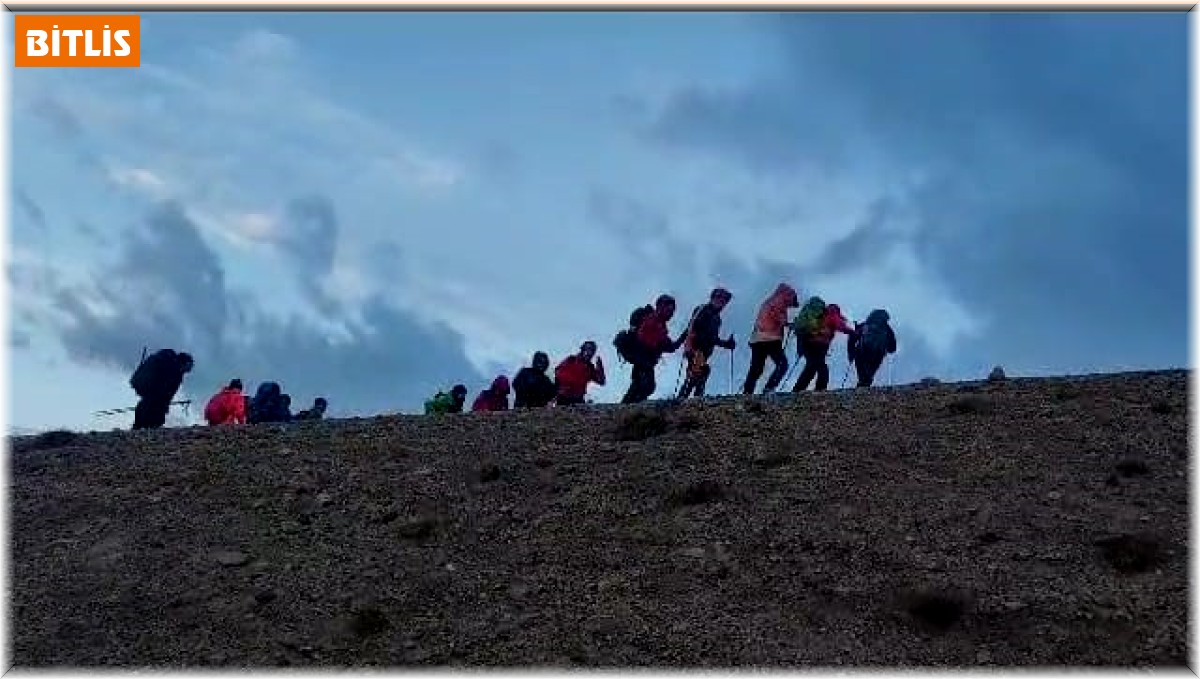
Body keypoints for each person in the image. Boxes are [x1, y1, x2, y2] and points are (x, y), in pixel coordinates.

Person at [621, 294, 685, 404]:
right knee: (647, 386)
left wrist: (684, 335)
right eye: (669, 309)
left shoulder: (661, 325)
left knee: (641, 385)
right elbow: (651, 340)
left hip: (643, 359)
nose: (671, 313)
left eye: (672, 311)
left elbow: (670, 347)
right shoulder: (653, 320)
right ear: (660, 306)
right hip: (642, 358)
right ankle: (629, 409)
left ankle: (626, 408)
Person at [678, 287, 737, 399]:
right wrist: (686, 346)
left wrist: (726, 343)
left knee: (700, 373)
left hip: (704, 351)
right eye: (720, 298)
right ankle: (685, 401)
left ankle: (689, 400)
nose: (722, 302)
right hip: (696, 348)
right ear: (713, 298)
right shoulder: (703, 310)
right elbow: (692, 329)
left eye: (725, 300)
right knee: (698, 373)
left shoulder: (717, 318)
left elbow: (712, 337)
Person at [742, 283, 799, 394]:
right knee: (782, 364)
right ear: (790, 297)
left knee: (756, 368)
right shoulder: (779, 301)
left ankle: (747, 392)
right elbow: (777, 315)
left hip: (757, 338)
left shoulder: (770, 301)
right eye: (792, 303)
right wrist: (789, 324)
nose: (791, 306)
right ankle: (769, 388)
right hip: (770, 338)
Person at [793, 300, 855, 392]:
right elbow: (841, 326)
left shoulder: (821, 315)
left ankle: (798, 390)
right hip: (818, 345)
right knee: (822, 368)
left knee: (811, 367)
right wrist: (852, 331)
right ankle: (820, 389)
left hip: (807, 343)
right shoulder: (832, 314)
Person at [129, 349, 194, 430]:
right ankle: (148, 425)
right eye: (190, 365)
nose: (190, 369)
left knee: (148, 402)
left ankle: (140, 425)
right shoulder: (173, 369)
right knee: (154, 403)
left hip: (145, 386)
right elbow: (166, 394)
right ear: (185, 363)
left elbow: (167, 393)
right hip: (152, 389)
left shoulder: (171, 366)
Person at [848, 309, 897, 388]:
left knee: (862, 373)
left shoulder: (865, 325)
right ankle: (864, 389)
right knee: (869, 374)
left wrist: (851, 353)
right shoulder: (887, 329)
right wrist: (885, 348)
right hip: (878, 355)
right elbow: (893, 348)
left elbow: (852, 338)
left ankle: (861, 388)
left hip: (862, 351)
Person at [554, 341, 606, 406]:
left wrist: (600, 367)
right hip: (564, 397)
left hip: (578, 399)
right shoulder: (571, 360)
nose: (589, 353)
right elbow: (558, 372)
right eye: (588, 350)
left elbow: (601, 381)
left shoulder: (590, 367)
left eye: (592, 351)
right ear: (583, 350)